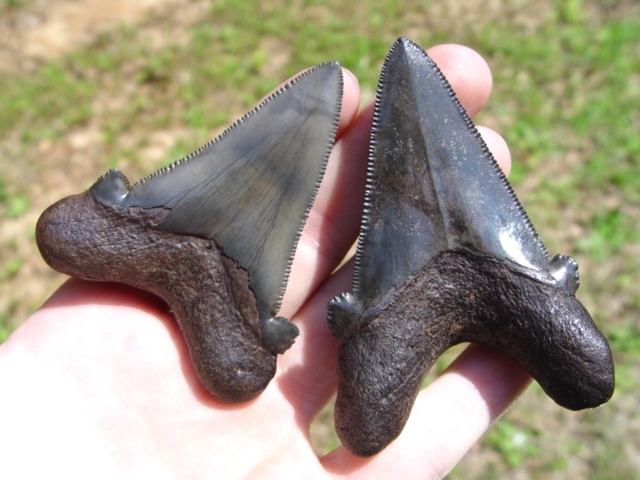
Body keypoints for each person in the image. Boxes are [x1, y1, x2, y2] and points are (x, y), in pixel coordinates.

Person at [0, 43, 531, 478]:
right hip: (198, 281)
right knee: (238, 369)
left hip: (191, 278)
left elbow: (65, 231)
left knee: (240, 369)